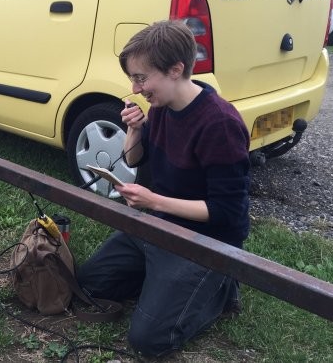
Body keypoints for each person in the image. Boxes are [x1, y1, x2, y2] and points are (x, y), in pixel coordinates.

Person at [77, 20, 251, 357]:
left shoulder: (221, 124)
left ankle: (221, 285)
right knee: (89, 283)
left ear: (176, 69)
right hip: (157, 228)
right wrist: (135, 131)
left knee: (148, 340)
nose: (136, 88)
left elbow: (227, 212)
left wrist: (153, 201)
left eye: (141, 78)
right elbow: (137, 159)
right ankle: (165, 283)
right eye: (133, 78)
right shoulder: (161, 109)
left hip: (205, 241)